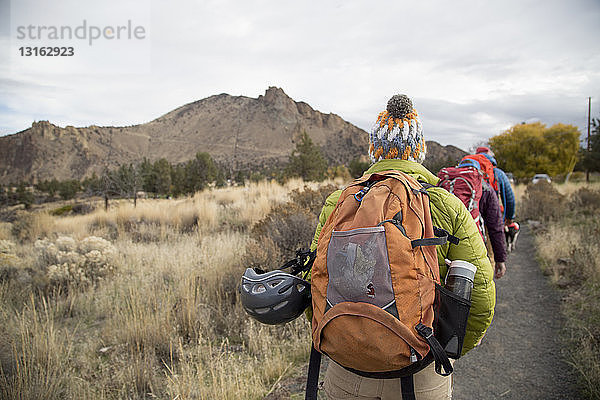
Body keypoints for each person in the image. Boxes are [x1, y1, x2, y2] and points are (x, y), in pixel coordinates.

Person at [309, 94, 496, 400]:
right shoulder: (444, 203)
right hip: (420, 371)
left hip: (346, 373)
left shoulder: (338, 202)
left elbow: (314, 282)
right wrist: (449, 347)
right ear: (418, 150)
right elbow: (480, 296)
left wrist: (343, 338)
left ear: (375, 149)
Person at [456, 159, 507, 279]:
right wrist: (500, 259)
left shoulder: (449, 185)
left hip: (452, 245)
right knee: (483, 281)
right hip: (478, 244)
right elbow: (495, 227)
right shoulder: (486, 189)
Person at [475, 147, 516, 223]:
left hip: (470, 218)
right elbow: (509, 199)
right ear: (489, 155)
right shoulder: (497, 173)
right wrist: (509, 218)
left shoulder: (467, 172)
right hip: (491, 216)